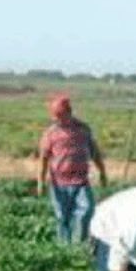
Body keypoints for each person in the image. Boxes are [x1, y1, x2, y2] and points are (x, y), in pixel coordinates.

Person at [37, 95, 108, 244]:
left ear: (69, 113)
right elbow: (43, 158)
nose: (57, 120)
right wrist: (41, 181)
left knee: (87, 209)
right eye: (55, 116)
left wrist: (102, 172)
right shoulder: (51, 133)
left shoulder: (83, 129)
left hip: (81, 180)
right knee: (63, 217)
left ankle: (79, 243)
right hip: (59, 183)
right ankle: (64, 247)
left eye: (60, 116)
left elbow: (94, 152)